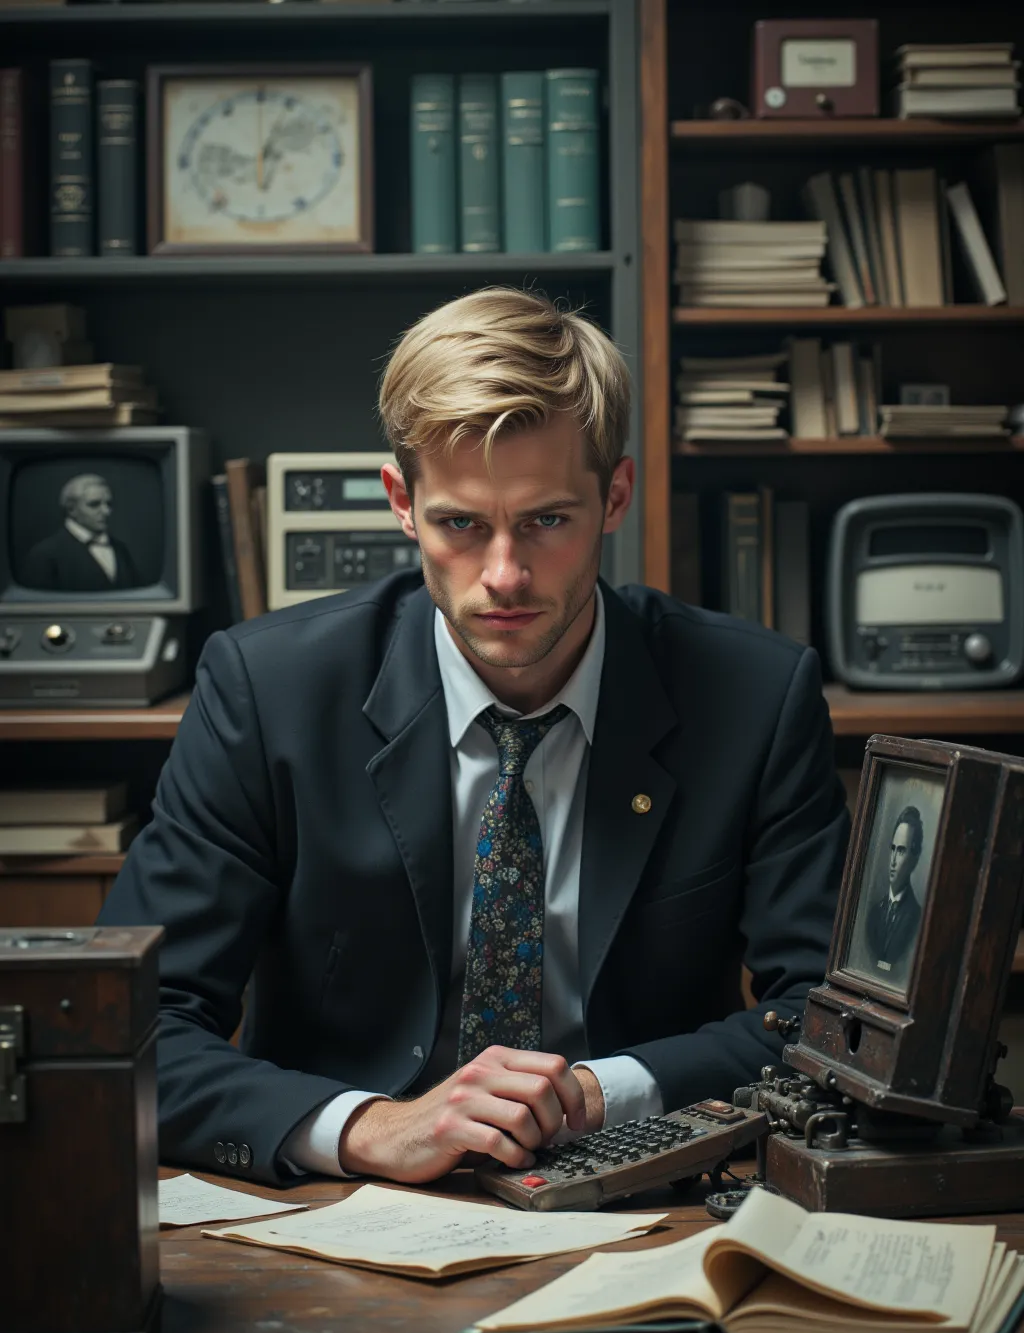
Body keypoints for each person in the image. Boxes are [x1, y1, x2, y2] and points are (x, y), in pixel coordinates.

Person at [99, 287, 850, 1188]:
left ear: (614, 496)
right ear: (402, 502)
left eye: (546, 520)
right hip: (340, 1205)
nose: (505, 574)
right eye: (461, 523)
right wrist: (370, 1127)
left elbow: (829, 1018)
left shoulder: (757, 698)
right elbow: (128, 1028)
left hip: (650, 1196)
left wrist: (598, 1093)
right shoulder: (266, 692)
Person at [20, 473, 140, 592]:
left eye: (109, 504)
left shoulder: (121, 549)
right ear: (71, 509)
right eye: (94, 504)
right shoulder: (44, 554)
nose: (106, 511)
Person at [864, 804, 924, 982]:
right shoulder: (874, 913)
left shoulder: (917, 918)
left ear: (914, 859)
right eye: (893, 849)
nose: (893, 860)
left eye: (902, 850)